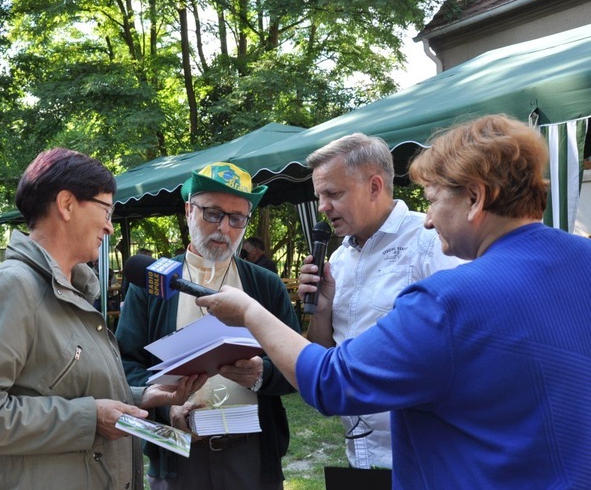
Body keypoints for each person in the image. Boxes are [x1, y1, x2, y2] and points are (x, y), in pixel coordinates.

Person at [196, 114, 591, 488]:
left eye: (434, 199)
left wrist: (249, 311)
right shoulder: (581, 262)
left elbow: (333, 381)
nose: (429, 219)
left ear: (475, 197)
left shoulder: (448, 296)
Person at [0, 148, 206, 490]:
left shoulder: (73, 290)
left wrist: (143, 396)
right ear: (66, 204)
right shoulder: (11, 287)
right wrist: (89, 419)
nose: (110, 226)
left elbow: (61, 387)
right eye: (106, 210)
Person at [115, 162, 302, 490]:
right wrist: (165, 410)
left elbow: (297, 366)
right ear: (188, 210)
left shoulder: (266, 285)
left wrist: (261, 374)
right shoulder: (150, 280)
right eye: (213, 213)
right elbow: (123, 366)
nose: (224, 229)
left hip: (251, 455)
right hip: (176, 452)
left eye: (237, 218)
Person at [300, 133, 463, 470]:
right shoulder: (340, 259)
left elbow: (463, 344)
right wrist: (322, 311)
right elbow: (326, 353)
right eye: (319, 196)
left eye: (333, 193)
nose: (322, 207)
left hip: (423, 459)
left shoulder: (430, 240)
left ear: (375, 187)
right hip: (359, 458)